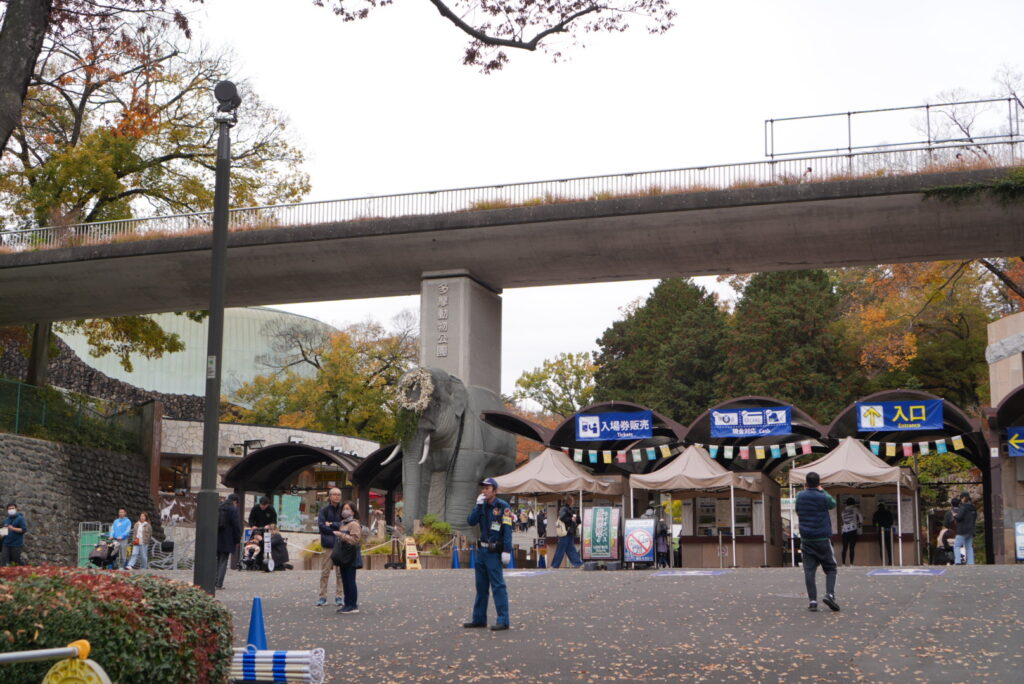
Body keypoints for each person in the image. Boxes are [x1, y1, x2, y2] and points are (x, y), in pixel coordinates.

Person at [464, 478, 513, 631]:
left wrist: (507, 550)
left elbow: (507, 530)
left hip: (494, 551)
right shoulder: (481, 506)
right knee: (481, 586)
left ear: (495, 490)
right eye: (483, 488)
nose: (484, 491)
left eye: (487, 488)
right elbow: (471, 522)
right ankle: (479, 619)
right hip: (482, 551)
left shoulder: (502, 506)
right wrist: (478, 507)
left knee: (498, 586)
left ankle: (503, 620)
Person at [795, 471, 839, 612]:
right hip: (823, 538)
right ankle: (830, 594)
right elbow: (833, 504)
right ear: (818, 483)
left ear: (806, 483)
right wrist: (822, 490)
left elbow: (797, 510)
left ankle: (813, 601)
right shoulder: (822, 496)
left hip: (806, 539)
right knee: (831, 568)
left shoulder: (800, 496)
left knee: (809, 571)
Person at [317, 488, 345, 607]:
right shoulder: (324, 510)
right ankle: (322, 597)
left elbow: (344, 525)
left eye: (339, 494)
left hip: (340, 544)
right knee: (325, 572)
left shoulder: (344, 509)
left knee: (340, 573)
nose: (337, 497)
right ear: (330, 496)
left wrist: (332, 524)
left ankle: (339, 596)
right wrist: (335, 530)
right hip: (327, 545)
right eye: (334, 494)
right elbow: (321, 526)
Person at [333, 501, 363, 614]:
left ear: (353, 511)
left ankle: (352, 604)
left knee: (350, 580)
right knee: (344, 580)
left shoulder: (354, 524)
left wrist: (341, 535)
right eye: (343, 508)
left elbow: (355, 540)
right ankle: (347, 603)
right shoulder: (342, 523)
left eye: (347, 508)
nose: (345, 511)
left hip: (350, 555)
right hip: (343, 556)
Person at [216, 493, 242, 589]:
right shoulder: (233, 509)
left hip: (217, 537)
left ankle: (214, 581)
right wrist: (238, 538)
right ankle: (219, 584)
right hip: (227, 538)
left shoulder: (219, 506)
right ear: (235, 501)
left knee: (217, 559)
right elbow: (236, 525)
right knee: (223, 560)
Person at [551, 494, 582, 569]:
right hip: (565, 532)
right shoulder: (564, 509)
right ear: (569, 500)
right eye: (572, 499)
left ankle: (578, 563)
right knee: (562, 549)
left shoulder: (568, 509)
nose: (573, 501)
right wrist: (571, 519)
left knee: (570, 549)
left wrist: (576, 518)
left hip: (569, 532)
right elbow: (562, 517)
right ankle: (554, 565)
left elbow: (576, 520)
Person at [952, 492, 977, 565]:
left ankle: (958, 561)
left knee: (957, 545)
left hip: (962, 530)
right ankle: (971, 562)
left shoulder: (963, 507)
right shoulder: (973, 507)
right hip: (971, 530)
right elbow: (975, 518)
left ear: (962, 498)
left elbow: (959, 517)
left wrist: (954, 515)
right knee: (969, 547)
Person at [839, 498, 863, 566]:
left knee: (844, 547)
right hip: (852, 530)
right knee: (851, 547)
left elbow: (843, 521)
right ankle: (851, 563)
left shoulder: (843, 511)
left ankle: (843, 563)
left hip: (845, 531)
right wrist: (860, 524)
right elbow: (860, 517)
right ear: (853, 503)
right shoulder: (855, 509)